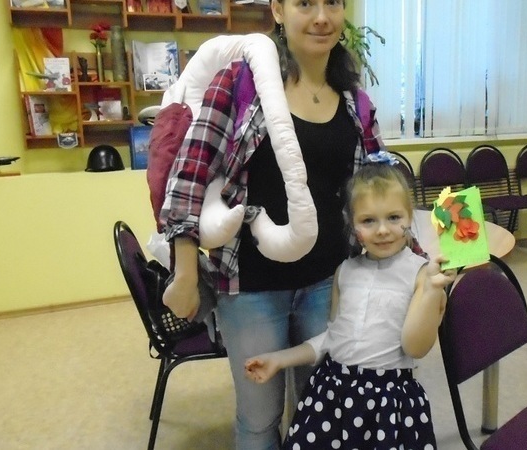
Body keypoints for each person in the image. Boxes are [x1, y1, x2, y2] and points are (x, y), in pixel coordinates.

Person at [158, 0, 390, 448]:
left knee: (321, 411)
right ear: (278, 10)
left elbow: (378, 189)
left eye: (332, 3)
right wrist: (185, 272)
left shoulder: (355, 101)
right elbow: (189, 174)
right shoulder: (241, 82)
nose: (321, 17)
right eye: (305, 3)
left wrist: (409, 257)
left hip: (330, 282)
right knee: (259, 418)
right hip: (251, 288)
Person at [244, 163, 455, 449]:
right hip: (331, 396)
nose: (383, 230)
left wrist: (431, 290)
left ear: (410, 216)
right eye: (368, 221)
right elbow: (332, 339)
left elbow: (415, 347)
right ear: (353, 225)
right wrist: (279, 360)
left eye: (394, 217)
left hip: (387, 404)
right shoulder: (345, 271)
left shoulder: (422, 274)